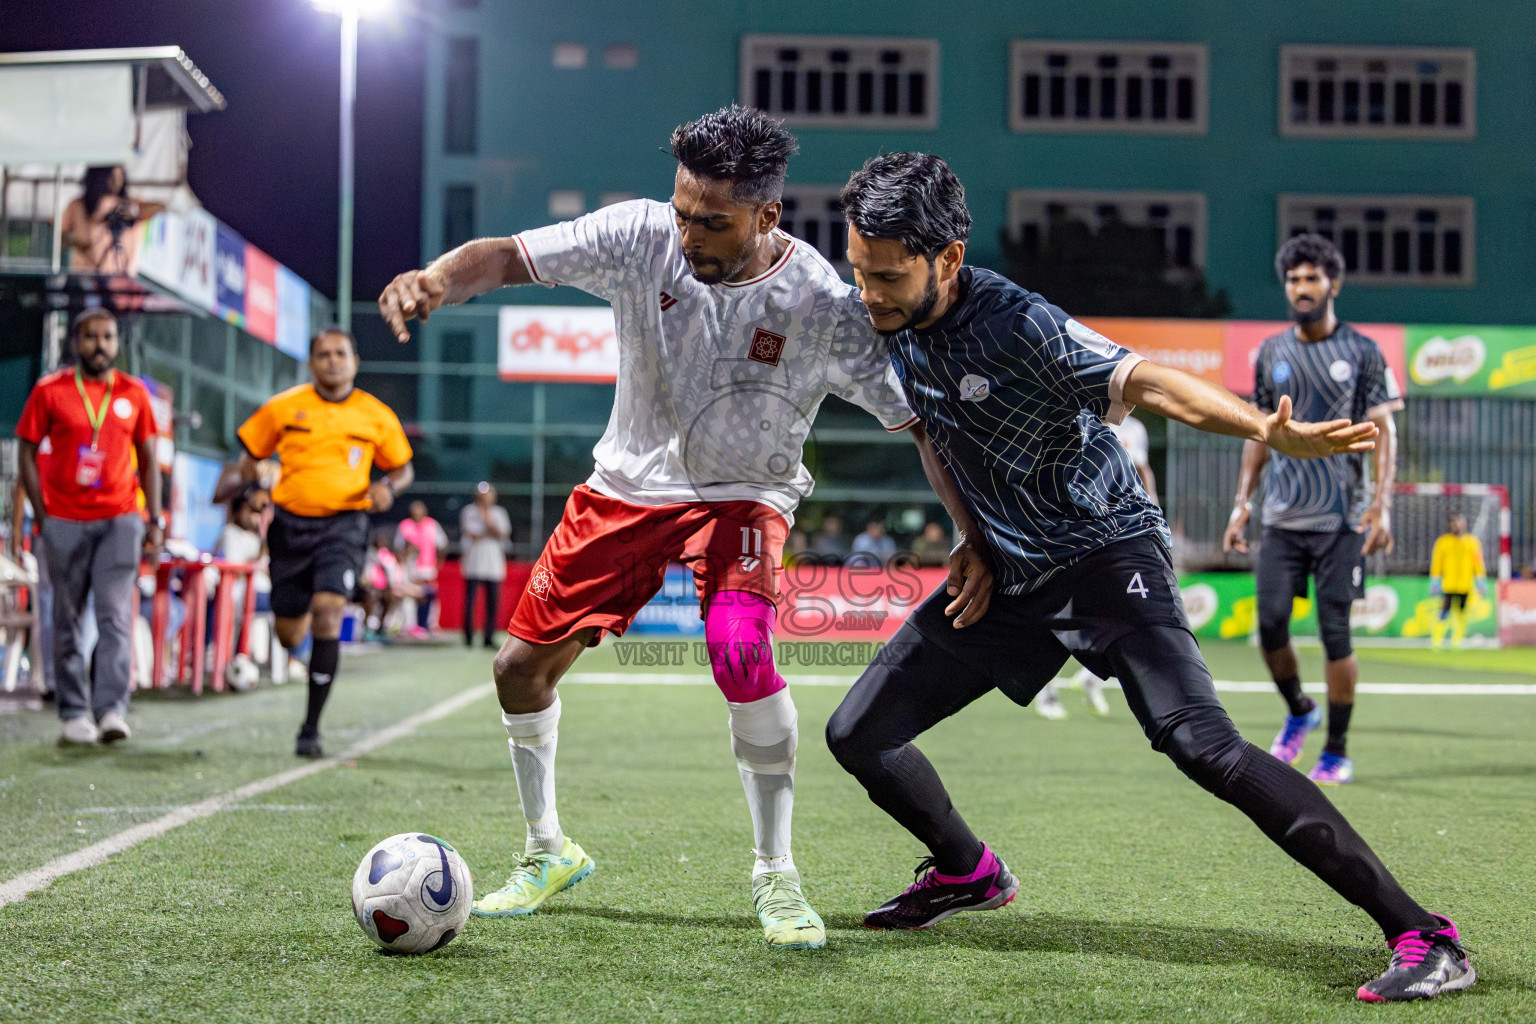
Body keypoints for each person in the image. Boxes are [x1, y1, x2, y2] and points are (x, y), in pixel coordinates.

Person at [824, 153, 1470, 1003]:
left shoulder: (1019, 324)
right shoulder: (891, 326)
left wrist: (1271, 434)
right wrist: (972, 535)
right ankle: (967, 872)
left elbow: (1151, 381)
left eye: (886, 276)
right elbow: (931, 436)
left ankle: (1427, 934)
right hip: (1010, 570)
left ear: (945, 258)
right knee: (858, 732)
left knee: (1202, 745)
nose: (867, 293)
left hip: (1104, 555)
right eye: (858, 271)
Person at [379, 106, 987, 950]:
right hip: (626, 485)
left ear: (767, 217)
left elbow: (921, 424)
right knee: (517, 672)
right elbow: (510, 257)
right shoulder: (640, 236)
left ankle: (776, 875)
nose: (690, 234)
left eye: (714, 221)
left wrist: (969, 532)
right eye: (682, 212)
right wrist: (439, 277)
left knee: (741, 649)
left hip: (746, 494)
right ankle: (547, 851)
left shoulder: (820, 303)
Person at [1222, 234, 1403, 786]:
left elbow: (1385, 431)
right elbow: (1259, 432)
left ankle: (1337, 750)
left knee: (1335, 633)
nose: (1301, 288)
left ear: (1334, 285)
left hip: (1341, 519)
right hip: (1282, 516)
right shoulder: (1272, 352)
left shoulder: (1364, 351)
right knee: (1270, 623)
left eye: (1311, 279)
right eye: (1293, 280)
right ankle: (1300, 709)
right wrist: (1242, 503)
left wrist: (1381, 504)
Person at [215, 327, 414, 758]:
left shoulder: (376, 415)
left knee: (328, 612)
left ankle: (310, 728)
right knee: (289, 634)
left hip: (344, 526)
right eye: (323, 354)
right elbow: (249, 458)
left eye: (340, 353)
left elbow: (402, 469)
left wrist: (388, 489)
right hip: (288, 528)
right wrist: (253, 476)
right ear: (311, 363)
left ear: (355, 361)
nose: (332, 361)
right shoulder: (285, 407)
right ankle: (303, 624)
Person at [15, 308, 163, 745]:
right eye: (91, 337)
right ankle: (74, 711)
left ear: (117, 343)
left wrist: (152, 518)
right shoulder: (50, 391)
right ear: (76, 342)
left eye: (108, 337)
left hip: (120, 520)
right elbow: (25, 452)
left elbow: (151, 459)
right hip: (63, 521)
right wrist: (43, 517)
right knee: (67, 618)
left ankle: (112, 709)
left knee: (115, 616)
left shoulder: (134, 393)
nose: (100, 345)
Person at [1039, 414, 1159, 720]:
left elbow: (1141, 471)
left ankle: (1090, 678)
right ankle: (1046, 690)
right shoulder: (1076, 419)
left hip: (1119, 534)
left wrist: (1153, 510)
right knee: (1060, 612)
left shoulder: (1134, 428)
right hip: (1075, 533)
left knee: (1125, 610)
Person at [59, 166, 164, 276]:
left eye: (120, 176)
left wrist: (134, 211)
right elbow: (61, 236)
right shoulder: (78, 205)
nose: (117, 181)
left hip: (122, 278)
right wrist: (80, 244)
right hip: (86, 275)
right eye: (112, 176)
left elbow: (161, 207)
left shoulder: (130, 204)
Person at [459, 482, 510, 649]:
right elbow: (471, 534)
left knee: (492, 603)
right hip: (474, 564)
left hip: (493, 565)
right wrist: (489, 530)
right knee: (470, 602)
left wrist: (487, 520)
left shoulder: (500, 513)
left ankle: (489, 637)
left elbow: (501, 533)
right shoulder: (469, 511)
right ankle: (468, 636)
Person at [1430, 514, 1486, 650]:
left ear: (1464, 524)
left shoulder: (1472, 542)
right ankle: (1437, 640)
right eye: (1454, 523)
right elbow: (1437, 562)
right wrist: (1435, 580)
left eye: (1459, 522)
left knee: (1461, 612)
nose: (1456, 525)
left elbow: (1478, 563)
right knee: (1444, 611)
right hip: (1448, 584)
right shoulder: (1443, 542)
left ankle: (1457, 640)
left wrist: (1480, 581)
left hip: (1464, 584)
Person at [396, 500, 447, 637]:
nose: (417, 514)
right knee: (410, 596)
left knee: (430, 595)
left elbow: (442, 545)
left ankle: (430, 625)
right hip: (410, 568)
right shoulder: (405, 525)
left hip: (428, 567)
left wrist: (439, 561)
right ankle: (411, 626)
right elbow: (398, 548)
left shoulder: (432, 524)